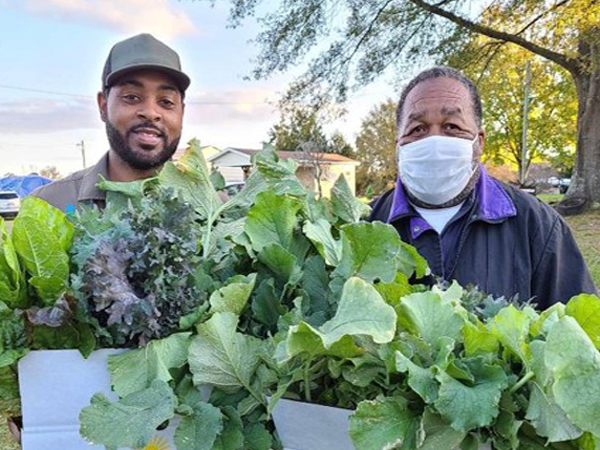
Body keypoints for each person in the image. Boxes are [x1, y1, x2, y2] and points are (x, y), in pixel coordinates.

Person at [369, 66, 596, 309]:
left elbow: (582, 331)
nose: (434, 140)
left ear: (479, 141)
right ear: (398, 145)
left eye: (452, 126)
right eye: (417, 129)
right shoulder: (364, 226)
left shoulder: (537, 225)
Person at [32, 33, 189, 212]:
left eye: (166, 102)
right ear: (103, 106)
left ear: (181, 113)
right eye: (131, 97)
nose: (150, 113)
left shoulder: (219, 213)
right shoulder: (48, 205)